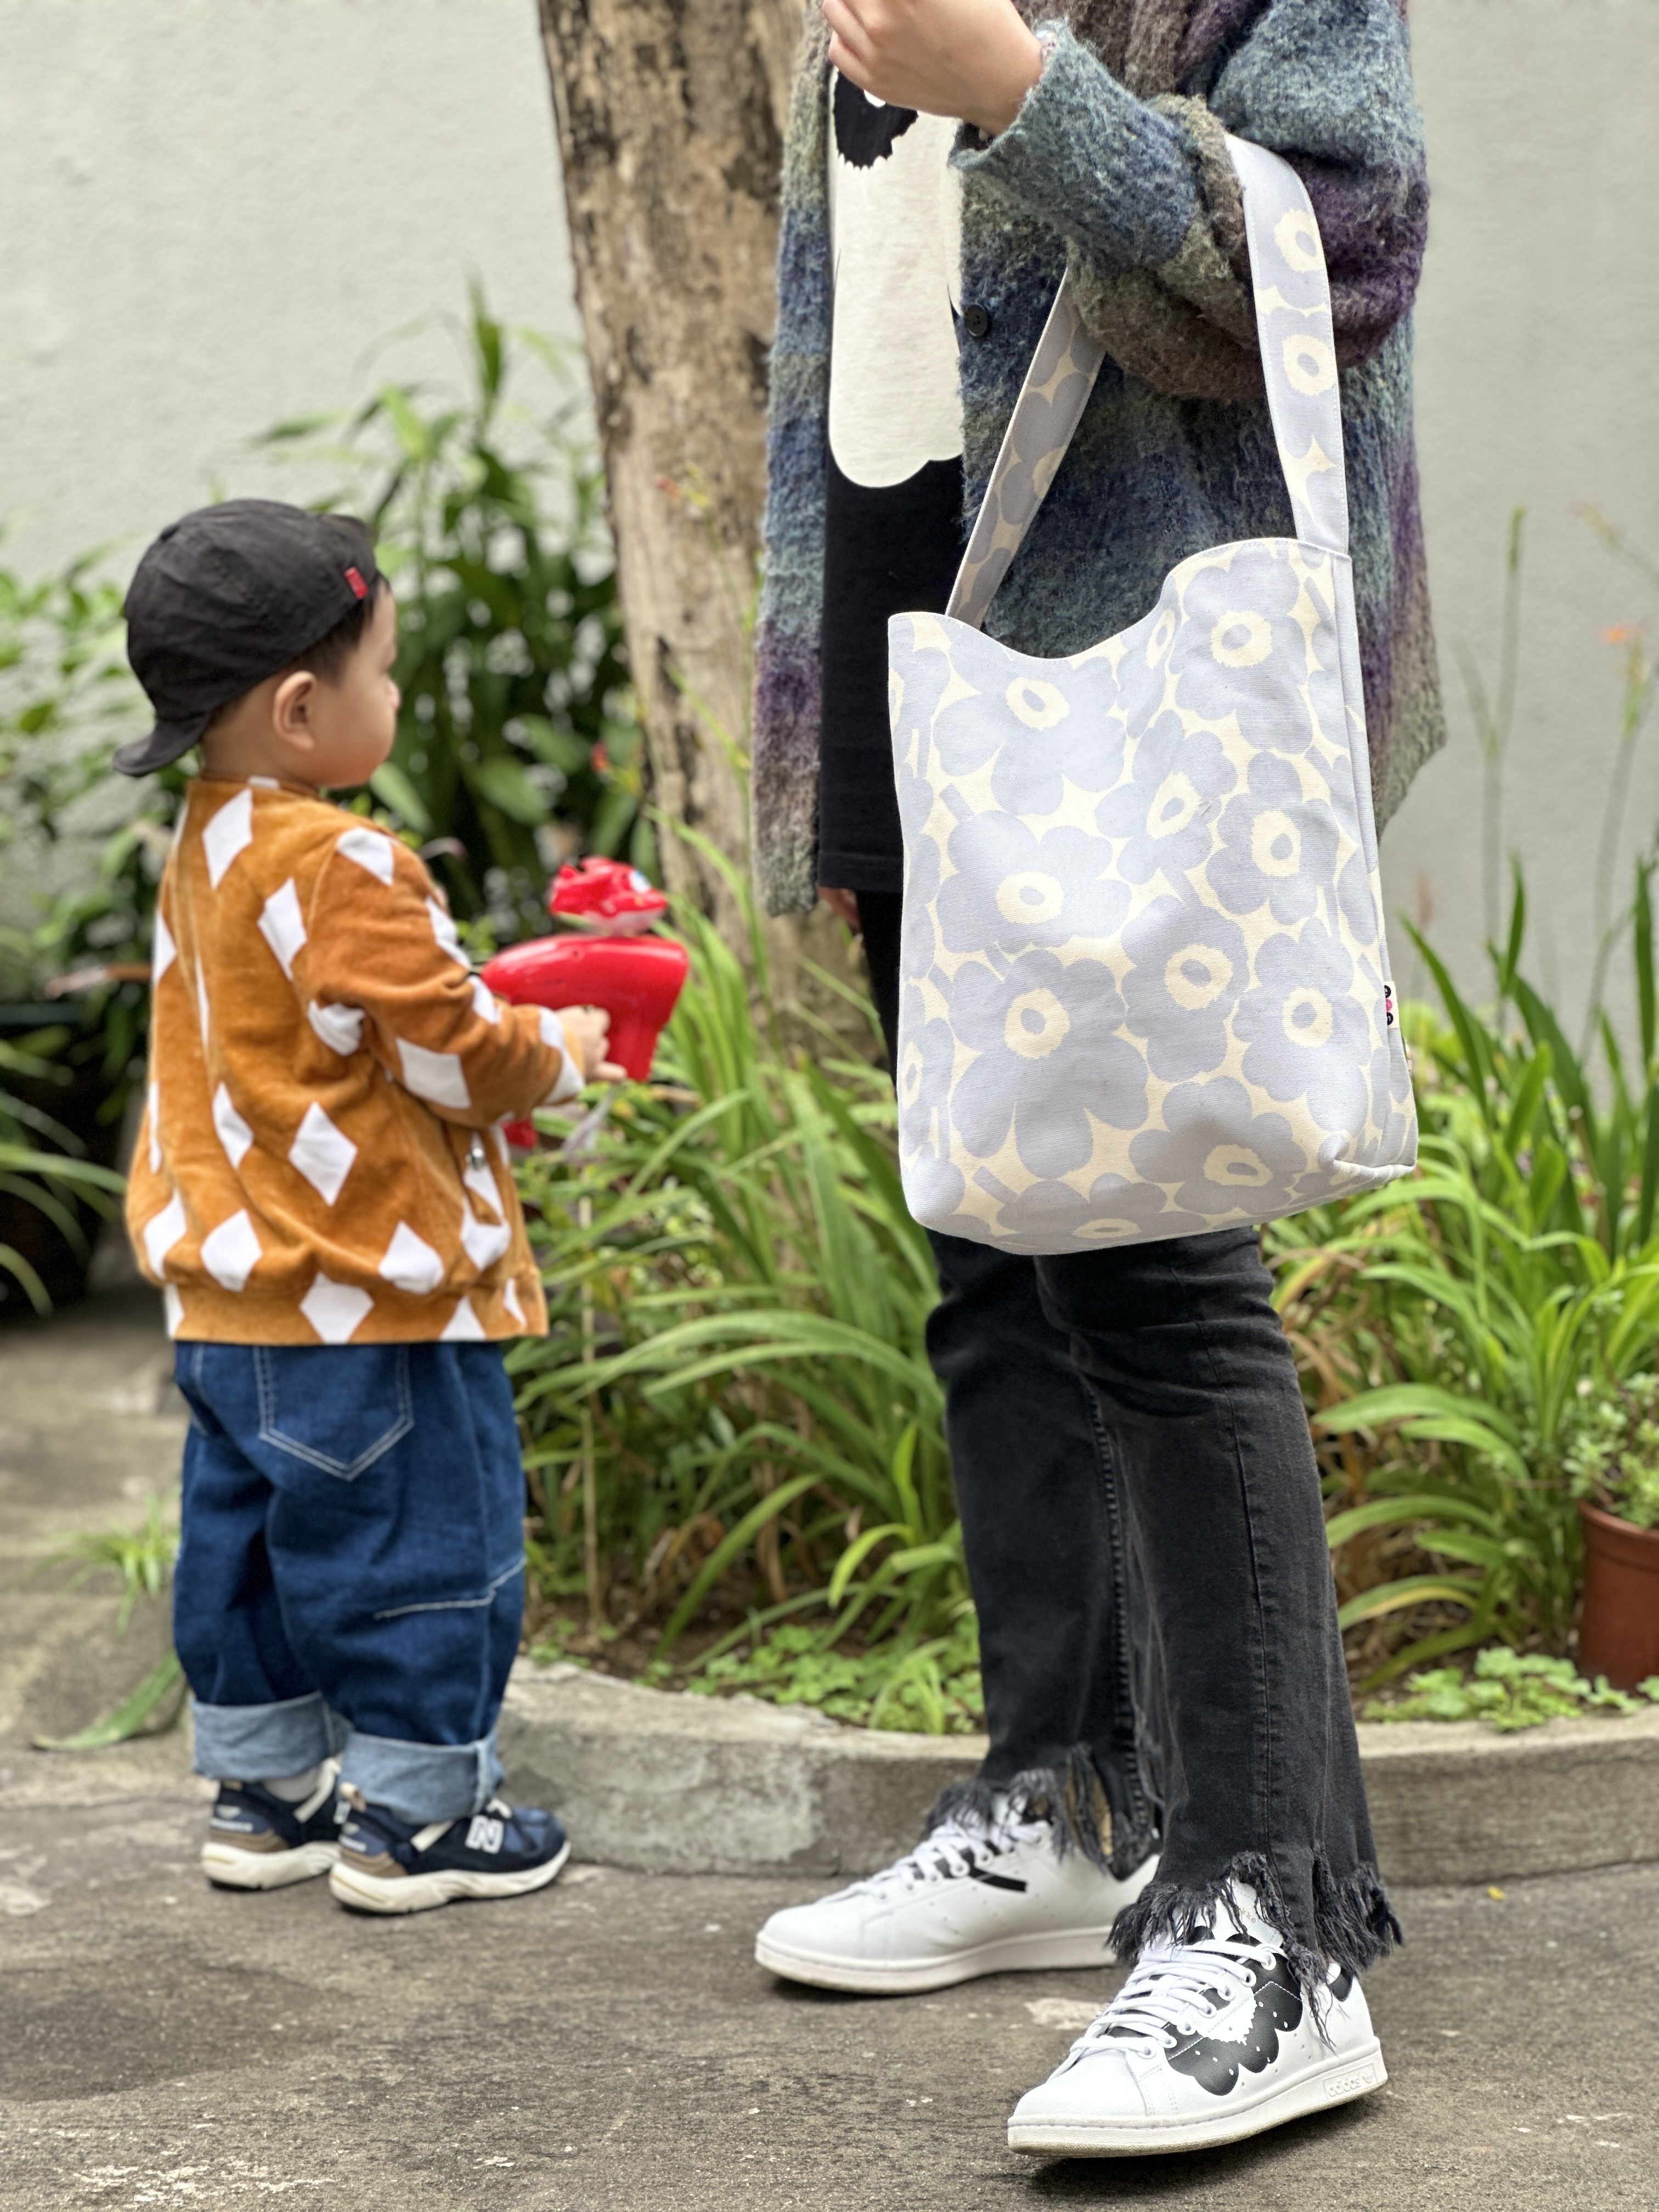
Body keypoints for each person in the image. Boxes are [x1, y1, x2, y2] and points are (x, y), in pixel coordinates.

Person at [750, 0, 1443, 2155]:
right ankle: (1065, 1794)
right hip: (909, 596)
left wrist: (1020, 93)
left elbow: (1337, 249)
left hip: (1132, 627)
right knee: (993, 1232)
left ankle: (1276, 1914)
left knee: (1154, 1279)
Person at [119, 500, 621, 1915]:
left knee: (249, 1552)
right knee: (420, 1551)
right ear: (299, 707)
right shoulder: (345, 864)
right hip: (374, 1294)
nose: (393, 696)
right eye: (383, 670)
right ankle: (419, 1819)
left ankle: (266, 1791)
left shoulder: (202, 850)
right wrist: (561, 1051)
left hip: (231, 1299)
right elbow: (451, 1054)